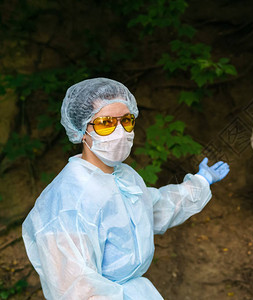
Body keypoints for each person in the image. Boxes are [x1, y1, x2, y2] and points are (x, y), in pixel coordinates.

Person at [22, 78, 229, 299]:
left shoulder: (123, 176)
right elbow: (76, 289)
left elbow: (154, 209)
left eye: (127, 121)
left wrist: (200, 182)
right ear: (81, 131)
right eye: (106, 123)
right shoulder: (68, 200)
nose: (120, 131)